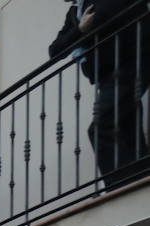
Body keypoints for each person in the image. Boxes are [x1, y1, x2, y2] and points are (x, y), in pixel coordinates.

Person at [50, 0, 150, 188]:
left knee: (100, 129)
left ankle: (121, 187)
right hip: (105, 77)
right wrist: (80, 30)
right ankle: (142, 178)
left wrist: (78, 36)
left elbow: (107, 18)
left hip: (128, 67)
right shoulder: (74, 12)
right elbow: (54, 50)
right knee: (128, 130)